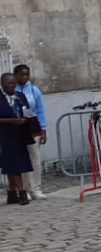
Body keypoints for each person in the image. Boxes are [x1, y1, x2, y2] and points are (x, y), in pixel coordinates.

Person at [0, 73, 36, 205]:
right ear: (2, 84)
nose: (12, 85)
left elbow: (27, 111)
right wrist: (11, 121)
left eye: (14, 83)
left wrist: (28, 120)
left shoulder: (19, 96)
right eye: (9, 83)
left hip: (20, 134)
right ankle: (22, 193)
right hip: (4, 135)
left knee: (12, 164)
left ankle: (12, 194)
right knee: (14, 164)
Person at [12, 64, 46, 199]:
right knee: (22, 158)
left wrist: (43, 129)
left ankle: (36, 187)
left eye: (27, 74)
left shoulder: (34, 90)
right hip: (17, 127)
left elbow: (40, 110)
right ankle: (24, 188)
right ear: (15, 75)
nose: (24, 77)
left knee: (35, 158)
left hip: (32, 126)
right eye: (21, 74)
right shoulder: (10, 90)